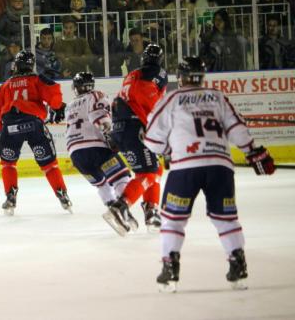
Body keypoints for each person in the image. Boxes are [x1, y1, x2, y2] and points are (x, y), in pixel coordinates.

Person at [144, 57, 275, 292]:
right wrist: (253, 152)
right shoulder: (217, 97)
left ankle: (170, 267)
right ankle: (238, 264)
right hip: (219, 166)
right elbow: (237, 127)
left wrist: (168, 151)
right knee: (225, 218)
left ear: (180, 77)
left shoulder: (172, 98)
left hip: (185, 168)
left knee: (173, 219)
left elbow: (152, 140)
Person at [0, 50, 70, 215]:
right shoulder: (36, 79)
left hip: (10, 126)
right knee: (49, 165)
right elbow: (54, 96)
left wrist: (4, 130)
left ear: (16, 65)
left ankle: (10, 197)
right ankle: (63, 195)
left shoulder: (5, 85)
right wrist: (58, 106)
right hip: (34, 123)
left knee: (8, 164)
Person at [65, 72, 136, 235]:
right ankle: (122, 209)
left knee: (102, 184)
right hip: (97, 148)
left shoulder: (70, 105)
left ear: (76, 88)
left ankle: (112, 207)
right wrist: (110, 135)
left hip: (76, 155)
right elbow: (99, 116)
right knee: (121, 177)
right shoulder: (95, 95)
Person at [111, 44, 167, 232]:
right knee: (148, 173)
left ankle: (151, 210)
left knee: (154, 169)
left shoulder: (132, 75)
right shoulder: (157, 74)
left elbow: (121, 101)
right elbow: (151, 104)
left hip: (121, 129)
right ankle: (121, 206)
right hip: (136, 129)